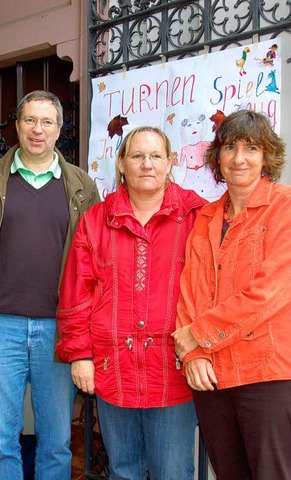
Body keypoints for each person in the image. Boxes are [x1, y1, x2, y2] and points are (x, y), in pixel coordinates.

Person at [173, 109, 291, 480]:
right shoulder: (206, 217)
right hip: (214, 380)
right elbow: (189, 290)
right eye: (230, 148)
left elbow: (273, 290)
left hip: (273, 377)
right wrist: (191, 352)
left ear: (266, 156)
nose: (239, 158)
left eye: (251, 148)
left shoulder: (289, 205)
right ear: (217, 157)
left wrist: (199, 335)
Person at [0, 90, 100, 480]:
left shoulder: (82, 187)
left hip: (60, 329)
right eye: (30, 121)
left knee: (56, 441)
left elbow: (92, 263)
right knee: (0, 438)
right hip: (0, 325)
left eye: (47, 122)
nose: (38, 130)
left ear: (59, 130)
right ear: (17, 127)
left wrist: (86, 329)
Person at [56, 126, 206, 480]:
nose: (147, 165)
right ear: (121, 164)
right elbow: (77, 292)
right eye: (137, 156)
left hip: (173, 372)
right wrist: (80, 355)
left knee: (173, 473)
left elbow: (211, 289)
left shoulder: (197, 216)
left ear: (170, 163)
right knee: (123, 471)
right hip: (114, 370)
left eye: (156, 156)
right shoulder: (96, 220)